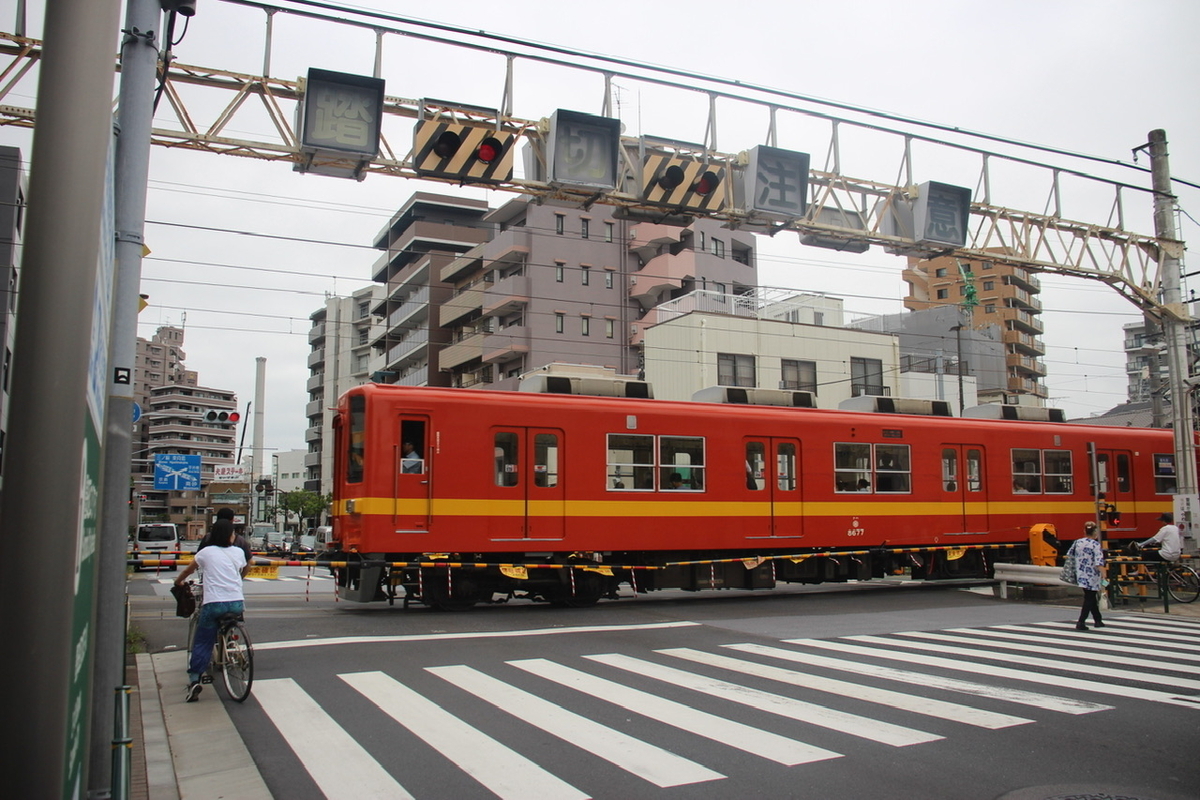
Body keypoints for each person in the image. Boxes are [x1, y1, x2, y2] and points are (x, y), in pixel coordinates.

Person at [174, 518, 248, 702]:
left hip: (214, 603)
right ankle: (232, 648)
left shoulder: (206, 552)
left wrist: (178, 582)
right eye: (233, 533)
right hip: (237, 602)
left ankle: (194, 680)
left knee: (203, 641)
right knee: (230, 622)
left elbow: (188, 571)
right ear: (229, 535)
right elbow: (243, 567)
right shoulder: (238, 552)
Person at [1067, 520, 1105, 631]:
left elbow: (1070, 554)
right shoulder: (1095, 545)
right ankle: (1081, 622)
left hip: (1081, 574)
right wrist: (1104, 574)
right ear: (1095, 532)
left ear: (1084, 531)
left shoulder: (1077, 542)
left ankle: (1098, 620)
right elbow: (1099, 562)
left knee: (1090, 597)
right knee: (1089, 598)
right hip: (1092, 575)